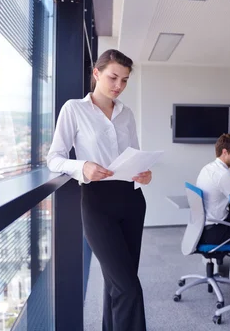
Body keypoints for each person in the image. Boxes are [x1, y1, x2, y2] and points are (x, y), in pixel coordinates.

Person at [47, 49, 150, 331]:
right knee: (128, 287)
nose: (119, 86)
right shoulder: (74, 109)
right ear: (96, 73)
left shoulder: (126, 113)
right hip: (97, 203)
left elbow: (135, 153)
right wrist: (83, 167)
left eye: (125, 80)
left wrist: (144, 173)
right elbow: (53, 158)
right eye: (113, 77)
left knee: (118, 282)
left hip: (132, 200)